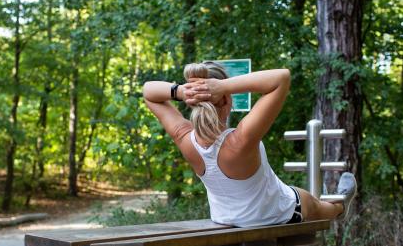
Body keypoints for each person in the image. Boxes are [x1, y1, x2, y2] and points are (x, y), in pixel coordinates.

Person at [143, 61, 356, 227]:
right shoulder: (240, 140)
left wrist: (181, 91)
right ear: (226, 100)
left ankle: (333, 202)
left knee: (290, 192)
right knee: (310, 203)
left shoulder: (186, 139)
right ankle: (339, 207)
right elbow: (281, 77)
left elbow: (149, 92)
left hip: (224, 218)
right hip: (275, 215)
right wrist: (223, 86)